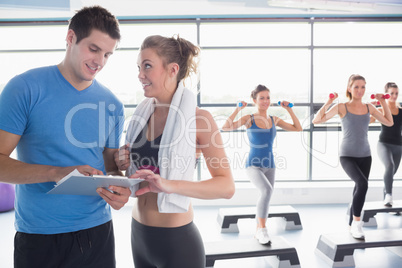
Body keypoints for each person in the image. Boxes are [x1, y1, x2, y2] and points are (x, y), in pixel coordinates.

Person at [0, 6, 131, 268]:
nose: (100, 61)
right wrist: (56, 172)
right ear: (70, 38)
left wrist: (121, 189)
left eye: (107, 54)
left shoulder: (113, 104)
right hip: (39, 237)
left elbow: (110, 168)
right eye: (93, 49)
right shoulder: (24, 88)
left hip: (98, 233)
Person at [114, 35, 235, 268]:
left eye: (147, 66)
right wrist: (121, 162)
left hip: (177, 242)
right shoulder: (141, 115)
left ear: (172, 69)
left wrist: (170, 185)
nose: (140, 74)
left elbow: (226, 187)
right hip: (139, 235)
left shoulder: (200, 120)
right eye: (139, 67)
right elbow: (135, 174)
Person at [312, 74, 393, 239]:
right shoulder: (342, 107)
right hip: (347, 155)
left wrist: (383, 102)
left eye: (363, 87)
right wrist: (328, 103)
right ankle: (357, 224)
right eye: (356, 86)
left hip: (365, 155)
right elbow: (316, 120)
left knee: (359, 188)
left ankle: (350, 224)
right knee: (362, 184)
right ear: (349, 88)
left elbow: (389, 122)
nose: (360, 90)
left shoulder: (369, 107)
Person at [221, 85, 302, 245]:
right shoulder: (249, 119)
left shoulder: (274, 119)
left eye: (268, 98)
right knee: (266, 190)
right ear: (254, 101)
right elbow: (225, 128)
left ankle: (258, 228)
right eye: (262, 98)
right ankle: (263, 230)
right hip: (253, 164)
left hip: (270, 164)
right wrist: (237, 110)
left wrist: (289, 110)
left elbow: (298, 128)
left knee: (266, 195)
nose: (265, 101)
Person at [370, 82, 402, 207]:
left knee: (391, 173)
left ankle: (387, 202)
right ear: (386, 95)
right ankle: (389, 195)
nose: (394, 96)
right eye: (391, 93)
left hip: (398, 146)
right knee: (389, 166)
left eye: (396, 93)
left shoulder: (401, 111)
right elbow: (368, 121)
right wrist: (370, 109)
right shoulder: (381, 109)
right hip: (384, 144)